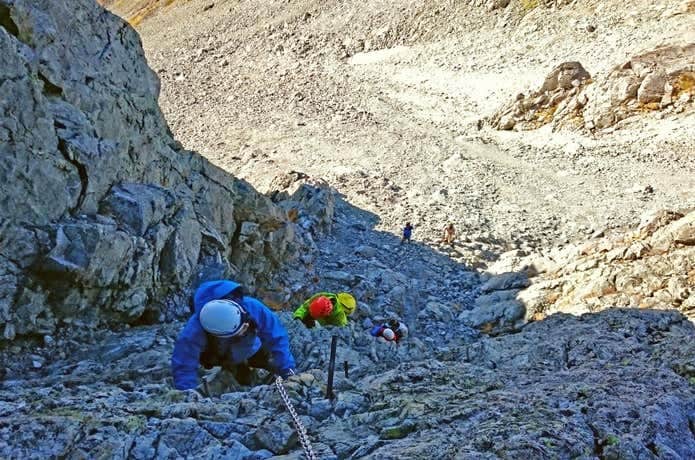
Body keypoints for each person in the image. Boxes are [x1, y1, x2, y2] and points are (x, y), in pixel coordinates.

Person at [171, 280, 296, 390]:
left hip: (252, 349)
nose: (244, 331)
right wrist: (187, 394)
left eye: (245, 327)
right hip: (218, 357)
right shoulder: (195, 329)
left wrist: (288, 371)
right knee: (239, 378)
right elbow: (184, 363)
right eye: (239, 332)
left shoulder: (253, 307)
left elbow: (277, 338)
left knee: (264, 363)